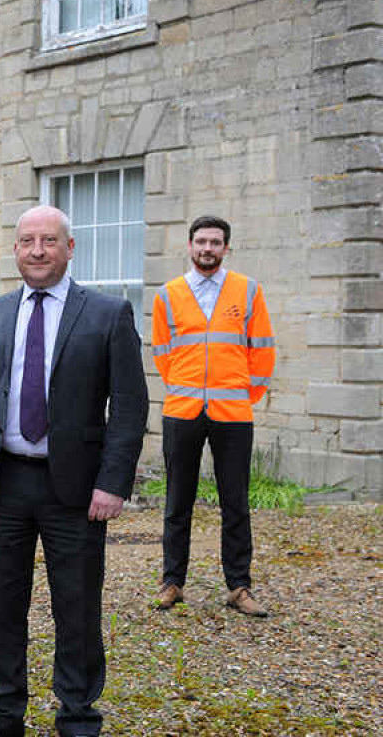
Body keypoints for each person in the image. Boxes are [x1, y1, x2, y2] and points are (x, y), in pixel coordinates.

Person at [0, 206, 148, 737]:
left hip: (75, 490)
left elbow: (129, 406)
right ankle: (2, 714)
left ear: (70, 248)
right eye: (27, 241)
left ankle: (78, 715)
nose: (37, 250)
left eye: (49, 240)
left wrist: (112, 481)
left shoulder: (107, 314)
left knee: (77, 608)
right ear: (15, 250)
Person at [152, 215, 275, 617]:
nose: (208, 248)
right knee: (177, 501)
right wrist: (186, 388)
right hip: (182, 409)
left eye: (216, 242)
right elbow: (162, 353)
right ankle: (173, 582)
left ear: (226, 248)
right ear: (189, 246)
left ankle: (238, 587)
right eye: (201, 241)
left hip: (233, 411)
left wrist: (243, 393)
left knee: (235, 502)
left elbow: (263, 349)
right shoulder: (169, 294)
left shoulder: (248, 290)